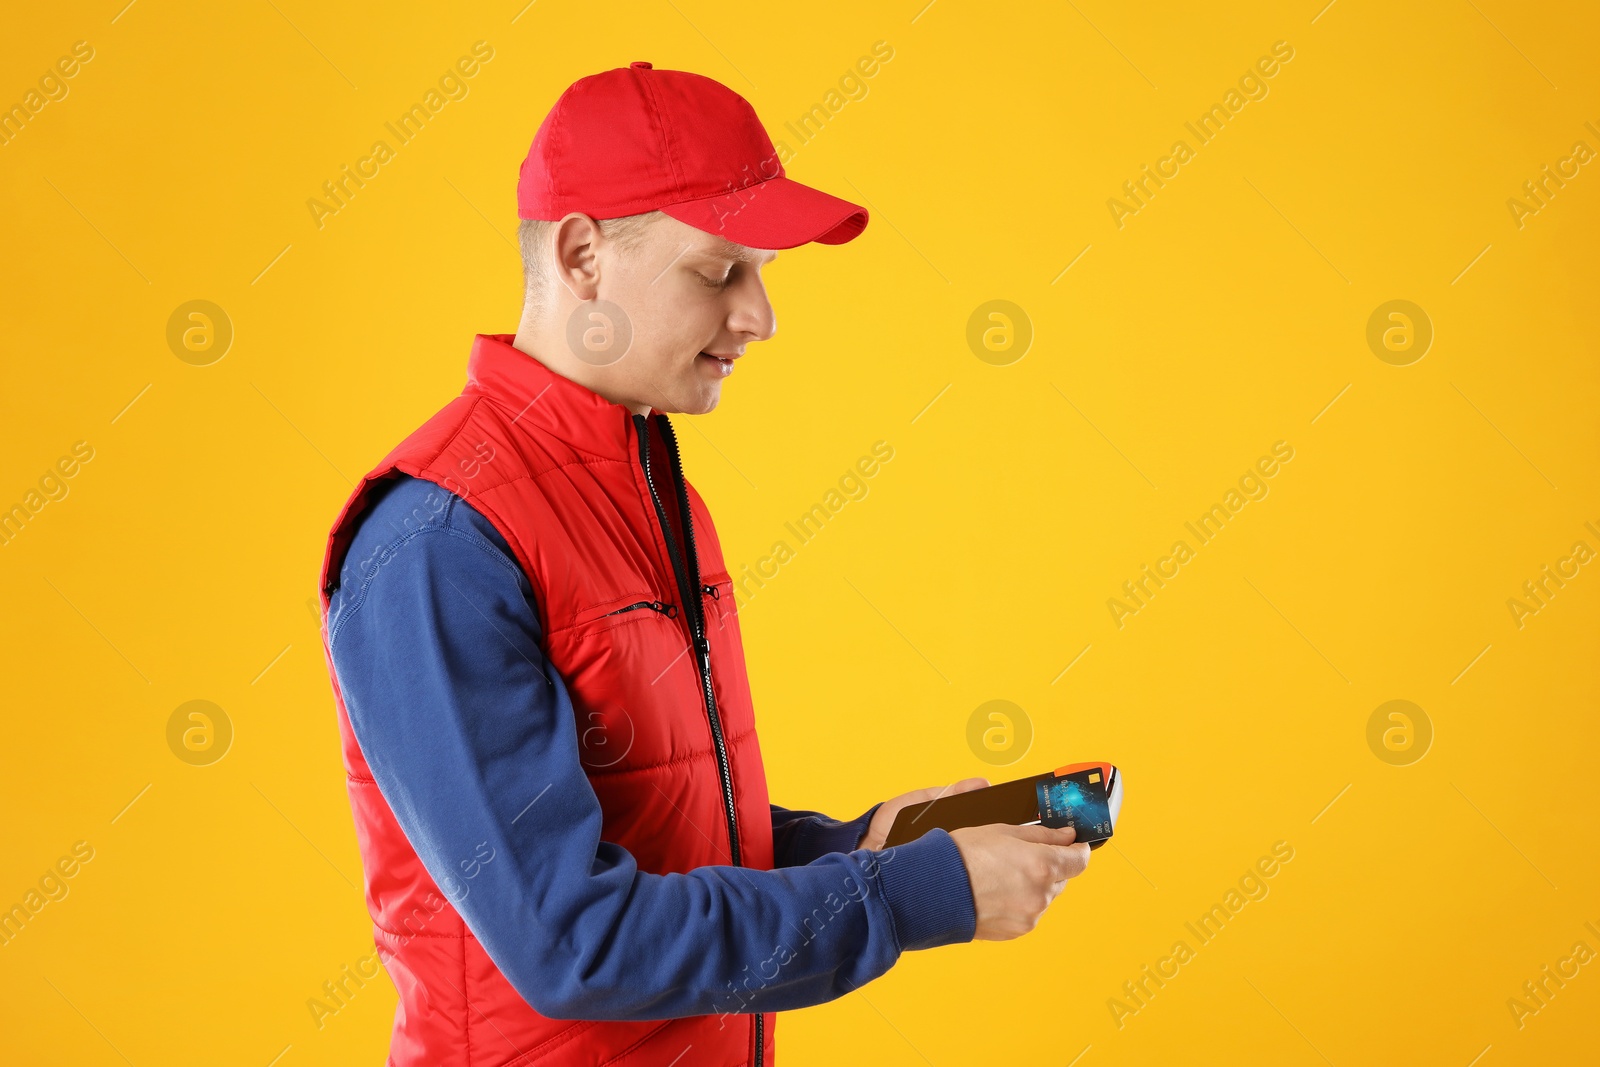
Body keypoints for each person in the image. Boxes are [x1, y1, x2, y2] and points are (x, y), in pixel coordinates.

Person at [317, 61, 1091, 1067]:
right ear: (583, 254)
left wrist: (859, 847)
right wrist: (911, 895)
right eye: (720, 270)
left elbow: (652, 817)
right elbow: (573, 940)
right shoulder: (437, 540)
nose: (760, 316)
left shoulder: (648, 487)